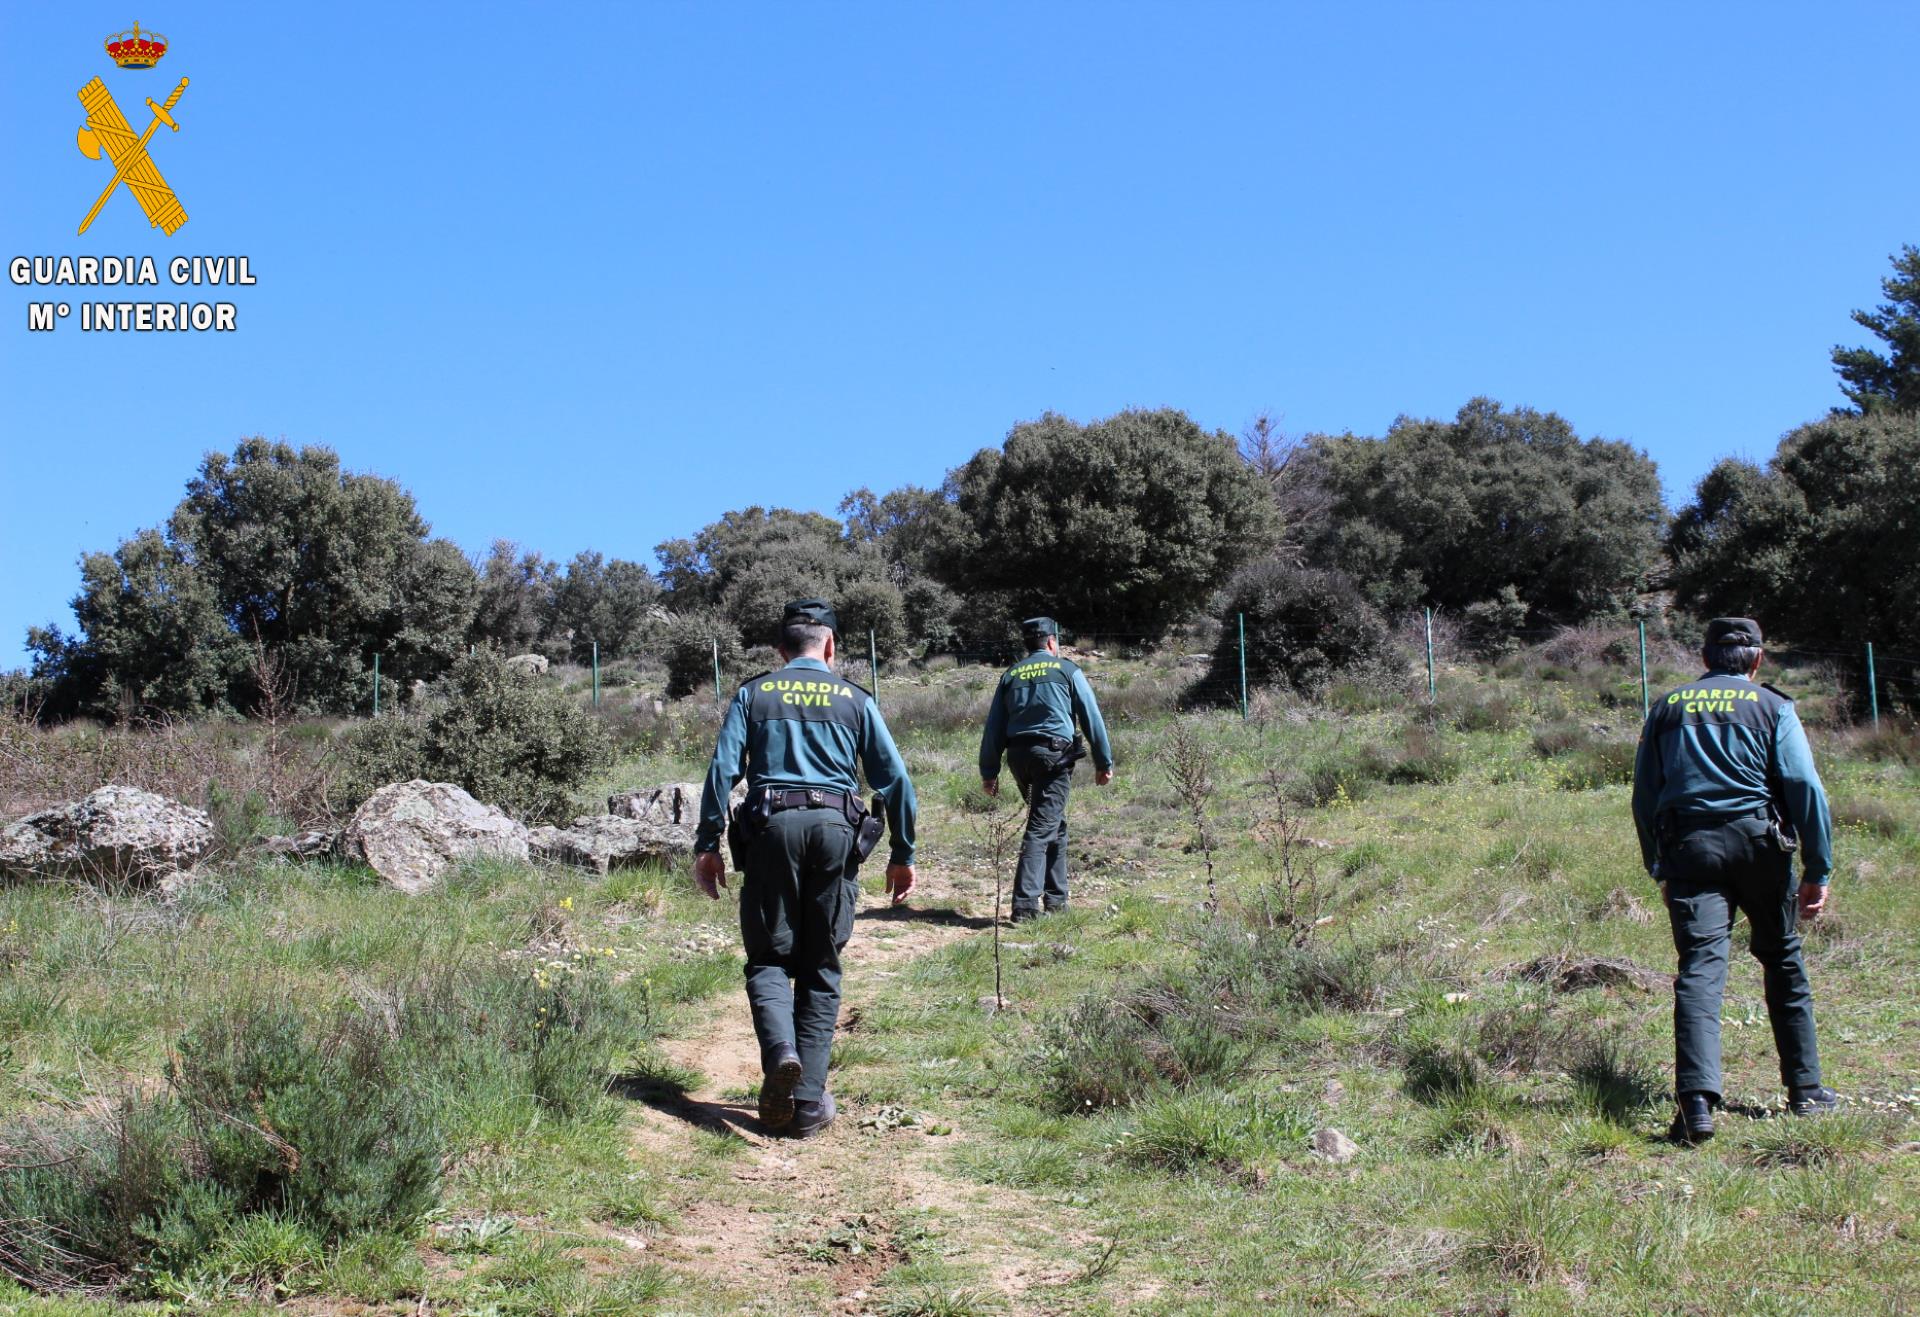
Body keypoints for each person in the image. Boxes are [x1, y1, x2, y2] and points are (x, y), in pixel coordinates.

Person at [692, 599, 918, 1139]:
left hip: (772, 829)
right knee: (821, 962)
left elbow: (723, 770)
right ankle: (809, 1103)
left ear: (780, 651)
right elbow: (897, 781)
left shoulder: (753, 693)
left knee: (769, 956)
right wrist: (902, 854)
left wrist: (707, 844)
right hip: (836, 830)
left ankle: (781, 1052)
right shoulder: (855, 700)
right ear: (831, 647)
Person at [1631, 617, 1837, 1144]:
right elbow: (1802, 785)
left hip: (1689, 849)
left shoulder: (1668, 707)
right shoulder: (1774, 707)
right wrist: (1818, 869)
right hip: (1760, 847)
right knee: (1782, 959)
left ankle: (1696, 1103)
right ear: (1757, 660)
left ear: (1705, 658)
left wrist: (1659, 863)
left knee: (1700, 969)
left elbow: (1645, 794)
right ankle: (1806, 1091)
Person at [977, 616, 1115, 921]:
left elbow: (994, 727)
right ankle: (1025, 907)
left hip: (1018, 758)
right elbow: (1091, 716)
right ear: (1052, 641)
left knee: (1053, 823)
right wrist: (1103, 762)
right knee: (1041, 827)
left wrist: (989, 772)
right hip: (1052, 757)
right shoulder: (1066, 669)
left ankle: (1057, 900)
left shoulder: (1011, 675)